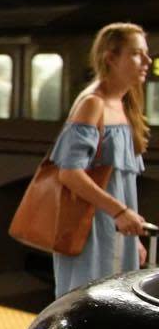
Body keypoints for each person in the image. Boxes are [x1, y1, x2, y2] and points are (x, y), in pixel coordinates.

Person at [51, 22, 152, 297]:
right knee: (87, 304)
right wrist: (120, 212)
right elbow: (69, 172)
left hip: (115, 232)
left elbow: (118, 181)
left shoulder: (124, 104)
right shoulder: (92, 103)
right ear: (111, 57)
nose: (147, 60)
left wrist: (131, 240)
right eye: (136, 53)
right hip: (91, 232)